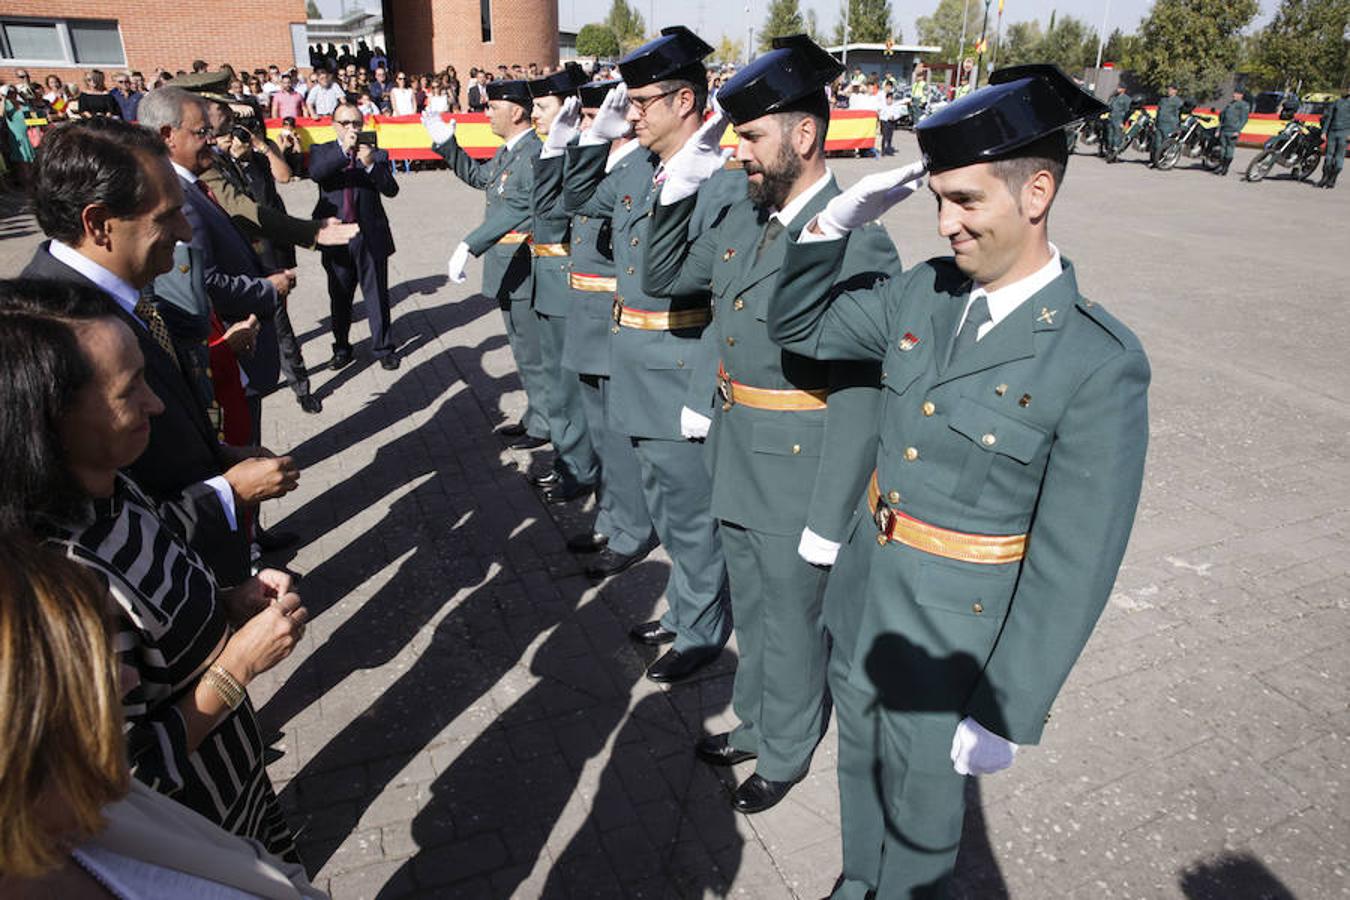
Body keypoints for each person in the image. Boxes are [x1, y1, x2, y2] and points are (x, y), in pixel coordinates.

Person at [767, 64, 1149, 898]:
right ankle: (856, 884)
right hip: (869, 590)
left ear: (1037, 192)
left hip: (955, 636)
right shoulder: (925, 293)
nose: (945, 223)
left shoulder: (1095, 360)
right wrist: (831, 223)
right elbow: (797, 327)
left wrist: (1009, 703)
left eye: (967, 200)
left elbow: (1075, 558)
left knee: (923, 820)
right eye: (938, 199)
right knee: (861, 769)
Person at [643, 34, 900, 810]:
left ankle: (785, 749)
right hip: (739, 447)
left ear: (804, 134)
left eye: (752, 135)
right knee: (754, 611)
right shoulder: (750, 217)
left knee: (792, 619)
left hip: (803, 461)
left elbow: (861, 392)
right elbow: (664, 282)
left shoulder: (858, 236)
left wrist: (831, 514)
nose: (737, 151)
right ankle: (756, 718)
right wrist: (673, 193)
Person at [0, 280, 309, 861]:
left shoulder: (117, 489)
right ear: (51, 420)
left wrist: (228, 600)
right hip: (190, 837)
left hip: (237, 795)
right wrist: (239, 662)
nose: (156, 404)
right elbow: (125, 774)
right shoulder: (62, 582)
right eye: (128, 390)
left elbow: (157, 608)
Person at [19, 116, 298, 586]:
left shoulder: (121, 292)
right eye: (166, 216)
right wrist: (225, 493)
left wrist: (218, 452)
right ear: (99, 223)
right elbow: (81, 532)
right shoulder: (49, 336)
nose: (186, 234)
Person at [561, 26, 742, 682]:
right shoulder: (639, 163)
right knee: (664, 505)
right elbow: (578, 206)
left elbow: (727, 298)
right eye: (627, 103)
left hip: (678, 361)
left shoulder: (721, 177)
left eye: (640, 102)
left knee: (692, 515)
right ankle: (685, 610)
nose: (630, 113)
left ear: (686, 101)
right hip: (631, 358)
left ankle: (700, 629)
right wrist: (587, 140)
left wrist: (703, 389)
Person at [0, 538, 328, 898]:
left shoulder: (99, 814)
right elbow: (141, 765)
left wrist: (223, 606)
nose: (126, 678)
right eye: (75, 669)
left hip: (238, 779)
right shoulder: (98, 797)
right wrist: (235, 670)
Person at [140, 86, 291, 456]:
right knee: (238, 458)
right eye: (200, 132)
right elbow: (201, 281)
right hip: (222, 355)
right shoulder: (175, 197)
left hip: (232, 349)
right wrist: (266, 288)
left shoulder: (194, 186)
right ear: (167, 136)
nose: (211, 139)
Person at [549, 79, 655, 579]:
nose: (586, 127)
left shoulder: (641, 164)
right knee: (598, 430)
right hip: (586, 315)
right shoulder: (601, 162)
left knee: (618, 436)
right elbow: (561, 208)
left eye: (591, 118)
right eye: (588, 118)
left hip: (613, 315)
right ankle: (610, 518)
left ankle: (631, 530)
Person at [424, 78, 550, 447]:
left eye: (492, 108)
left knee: (532, 352)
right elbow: (482, 178)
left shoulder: (532, 155)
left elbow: (518, 206)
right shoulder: (511, 151)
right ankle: (535, 414)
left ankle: (544, 425)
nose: (486, 114)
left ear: (516, 111)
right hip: (508, 268)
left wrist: (470, 243)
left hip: (524, 268)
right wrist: (448, 146)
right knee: (521, 349)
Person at [525, 62, 599, 502]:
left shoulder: (579, 155)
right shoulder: (556, 149)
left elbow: (552, 217)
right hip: (548, 280)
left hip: (568, 282)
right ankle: (567, 461)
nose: (534, 114)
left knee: (569, 390)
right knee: (555, 386)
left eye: (541, 106)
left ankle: (578, 468)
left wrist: (556, 153)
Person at [310, 102, 402, 370]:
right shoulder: (323, 151)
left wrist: (371, 164)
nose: (352, 129)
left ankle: (383, 347)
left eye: (357, 124)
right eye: (345, 123)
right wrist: (343, 151)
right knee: (339, 295)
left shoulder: (376, 154)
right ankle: (341, 348)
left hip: (369, 235)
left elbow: (391, 190)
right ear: (334, 125)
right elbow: (317, 172)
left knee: (376, 295)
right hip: (336, 235)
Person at [1316, 86, 1349, 189]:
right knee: (1328, 157)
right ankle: (1324, 178)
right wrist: (1324, 132)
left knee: (1339, 159)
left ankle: (1332, 179)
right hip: (1332, 132)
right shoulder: (1337, 102)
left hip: (1345, 133)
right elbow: (1329, 117)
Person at [1216, 88, 1250, 176]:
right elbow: (1222, 117)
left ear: (1241, 95)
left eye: (1236, 93)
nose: (1234, 95)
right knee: (1223, 149)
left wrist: (1238, 130)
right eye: (1234, 93)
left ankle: (1225, 168)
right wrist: (1218, 129)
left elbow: (1244, 119)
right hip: (1224, 129)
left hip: (1233, 130)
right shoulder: (1230, 104)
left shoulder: (1244, 105)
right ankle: (1221, 166)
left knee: (1229, 149)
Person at [1150, 83, 1182, 167]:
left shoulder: (1178, 101)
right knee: (1157, 143)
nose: (1169, 91)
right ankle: (1155, 161)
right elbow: (1158, 112)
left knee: (1166, 144)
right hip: (1160, 124)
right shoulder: (1163, 100)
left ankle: (1163, 160)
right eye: (1168, 89)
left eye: (1171, 89)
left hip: (1170, 125)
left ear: (1175, 91)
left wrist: (1178, 127)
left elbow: (1179, 115)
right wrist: (1154, 123)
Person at [1107, 84, 1131, 162]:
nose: (1117, 89)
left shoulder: (1127, 99)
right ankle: (1109, 153)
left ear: (1124, 89)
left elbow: (1128, 111)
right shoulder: (1114, 97)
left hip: (1119, 119)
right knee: (1110, 137)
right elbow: (1109, 106)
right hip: (1111, 118)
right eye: (1118, 87)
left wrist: (1124, 122)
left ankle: (1115, 155)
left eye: (1120, 88)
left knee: (1117, 137)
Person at [877, 89, 903, 155]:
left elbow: (898, 114)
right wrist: (887, 117)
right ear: (886, 99)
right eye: (888, 99)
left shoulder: (895, 106)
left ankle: (888, 149)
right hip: (885, 122)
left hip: (892, 122)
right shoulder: (882, 106)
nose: (889, 100)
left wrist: (894, 117)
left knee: (890, 136)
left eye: (891, 99)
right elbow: (880, 115)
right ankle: (882, 150)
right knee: (884, 136)